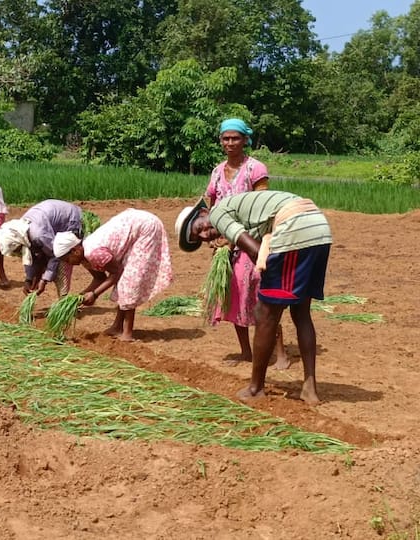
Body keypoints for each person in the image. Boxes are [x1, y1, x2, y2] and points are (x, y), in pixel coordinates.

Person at [175, 190, 333, 404]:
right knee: (301, 311)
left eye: (198, 228)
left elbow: (257, 251)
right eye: (198, 238)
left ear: (203, 212)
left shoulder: (218, 212)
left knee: (264, 313)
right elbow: (255, 243)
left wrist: (266, 281)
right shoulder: (242, 212)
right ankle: (309, 390)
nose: (204, 235)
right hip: (318, 228)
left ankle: (255, 388)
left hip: (295, 227)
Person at [204, 118, 287, 368]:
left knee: (261, 296)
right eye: (226, 138)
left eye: (235, 138)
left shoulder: (255, 169)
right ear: (221, 141)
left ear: (245, 140)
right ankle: (245, 351)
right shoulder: (217, 172)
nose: (230, 143)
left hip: (253, 243)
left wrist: (235, 238)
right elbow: (211, 206)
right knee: (234, 295)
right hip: (225, 246)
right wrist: (216, 235)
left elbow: (263, 208)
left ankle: (281, 353)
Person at [53, 208, 173, 342]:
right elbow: (100, 278)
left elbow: (117, 272)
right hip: (133, 229)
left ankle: (127, 333)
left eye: (67, 260)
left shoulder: (93, 253)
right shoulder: (84, 258)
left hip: (146, 227)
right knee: (123, 280)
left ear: (74, 250)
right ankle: (117, 327)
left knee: (129, 281)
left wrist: (95, 294)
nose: (68, 264)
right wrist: (78, 298)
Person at [0, 199, 105, 297]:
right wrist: (29, 279)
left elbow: (56, 254)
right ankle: (74, 298)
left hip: (74, 223)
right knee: (48, 261)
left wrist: (45, 279)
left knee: (64, 263)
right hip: (54, 229)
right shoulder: (22, 231)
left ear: (18, 242)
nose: (17, 253)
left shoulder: (38, 234)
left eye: (17, 250)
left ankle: (65, 300)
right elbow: (30, 255)